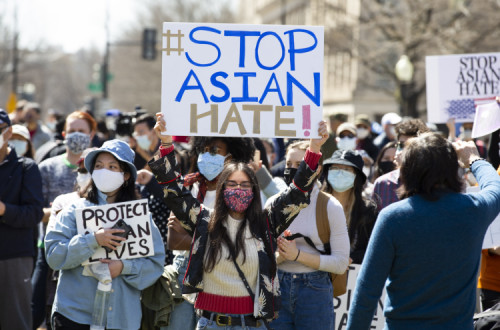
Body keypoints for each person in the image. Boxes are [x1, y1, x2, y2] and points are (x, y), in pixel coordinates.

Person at [148, 113, 328, 328]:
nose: (238, 190)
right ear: (222, 189)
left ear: (254, 190)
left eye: (245, 185)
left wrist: (314, 148)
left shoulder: (267, 223)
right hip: (211, 323)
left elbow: (297, 193)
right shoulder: (204, 219)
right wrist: (166, 143)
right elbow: (173, 190)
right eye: (231, 184)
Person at [346, 133, 500, 329]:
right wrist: (473, 159)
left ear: (406, 172)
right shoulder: (474, 209)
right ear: (453, 169)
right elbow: (494, 186)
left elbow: (367, 290)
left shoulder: (392, 217)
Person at [45, 139, 165, 329]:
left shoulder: (140, 217)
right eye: (99, 166)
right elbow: (53, 256)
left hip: (121, 318)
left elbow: (155, 263)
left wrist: (123, 267)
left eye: (112, 166)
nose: (104, 171)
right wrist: (92, 240)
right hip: (74, 315)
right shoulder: (73, 211)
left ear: (125, 175)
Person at [160, 134, 256, 330]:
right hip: (183, 271)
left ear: (230, 157)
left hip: (221, 274)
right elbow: (173, 240)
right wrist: (215, 236)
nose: (207, 155)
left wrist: (191, 232)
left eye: (214, 151)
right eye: (203, 150)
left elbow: (236, 241)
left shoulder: (239, 193)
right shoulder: (188, 186)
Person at [269, 141, 350, 329]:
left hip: (315, 291)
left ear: (317, 169)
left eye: (300, 165)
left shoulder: (330, 206)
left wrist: (297, 255)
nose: (293, 169)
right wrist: (280, 257)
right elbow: (260, 259)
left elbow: (340, 263)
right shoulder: (273, 204)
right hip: (277, 289)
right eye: (289, 164)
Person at [32, 110, 97, 329]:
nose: (76, 135)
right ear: (63, 133)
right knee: (38, 304)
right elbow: (34, 212)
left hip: (89, 247)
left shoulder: (100, 168)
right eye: (72, 131)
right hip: (50, 247)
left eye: (82, 131)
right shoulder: (47, 167)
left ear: (92, 134)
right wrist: (62, 213)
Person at [0, 109, 44, 330]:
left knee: (14, 321)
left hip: (13, 257)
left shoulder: (26, 168)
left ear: (8, 133)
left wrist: (4, 210)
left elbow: (34, 213)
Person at [322, 150, 378, 264]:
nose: (340, 173)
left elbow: (374, 250)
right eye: (335, 168)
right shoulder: (315, 206)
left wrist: (350, 259)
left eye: (347, 169)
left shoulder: (368, 212)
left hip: (352, 276)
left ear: (356, 177)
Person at [372, 118, 429, 211]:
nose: (404, 151)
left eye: (411, 146)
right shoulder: (382, 184)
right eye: (401, 145)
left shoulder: (433, 182)